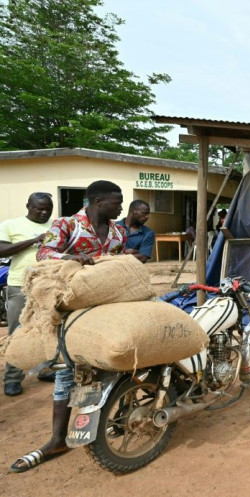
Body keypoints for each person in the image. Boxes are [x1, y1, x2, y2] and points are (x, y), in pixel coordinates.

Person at [9, 180, 125, 473]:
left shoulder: (118, 231)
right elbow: (43, 254)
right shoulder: (65, 225)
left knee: (106, 363)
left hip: (102, 306)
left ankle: (105, 421)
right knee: (67, 370)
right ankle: (57, 439)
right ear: (98, 202)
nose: (121, 208)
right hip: (68, 308)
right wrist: (72, 258)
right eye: (116, 202)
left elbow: (117, 262)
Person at [0, 192, 55, 396]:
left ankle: (45, 369)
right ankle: (13, 378)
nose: (43, 212)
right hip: (20, 286)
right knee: (18, 332)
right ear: (28, 206)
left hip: (49, 286)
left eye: (47, 208)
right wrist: (35, 240)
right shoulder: (11, 225)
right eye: (39, 208)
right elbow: (2, 250)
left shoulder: (56, 226)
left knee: (48, 329)